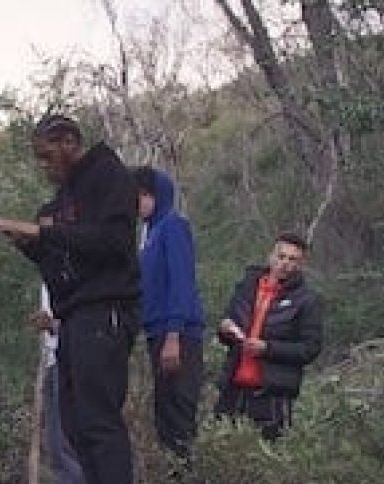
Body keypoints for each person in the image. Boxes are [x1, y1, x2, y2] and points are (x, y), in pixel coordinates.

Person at [0, 114, 141, 484]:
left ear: (69, 142)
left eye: (47, 156)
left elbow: (112, 242)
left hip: (106, 310)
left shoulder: (107, 174)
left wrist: (42, 232)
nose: (44, 166)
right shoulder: (63, 197)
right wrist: (26, 242)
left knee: (99, 418)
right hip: (72, 318)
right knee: (75, 422)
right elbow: (61, 256)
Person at [213, 232, 324, 439]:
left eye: (292, 259)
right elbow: (229, 321)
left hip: (272, 394)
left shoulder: (307, 300)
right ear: (271, 256)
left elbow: (310, 348)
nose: (285, 263)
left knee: (266, 457)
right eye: (281, 256)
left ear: (301, 264)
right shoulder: (247, 287)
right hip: (234, 388)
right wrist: (225, 329)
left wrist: (268, 348)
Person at [134, 166, 205, 460]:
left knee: (180, 423)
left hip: (178, 335)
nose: (135, 203)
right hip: (156, 333)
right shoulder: (148, 233)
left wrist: (174, 334)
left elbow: (181, 281)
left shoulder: (173, 225)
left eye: (140, 196)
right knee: (165, 422)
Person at [30, 285, 98, 484]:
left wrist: (56, 325)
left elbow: (85, 317)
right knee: (57, 442)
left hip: (74, 355)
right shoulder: (50, 266)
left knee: (73, 439)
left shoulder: (74, 261)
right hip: (52, 356)